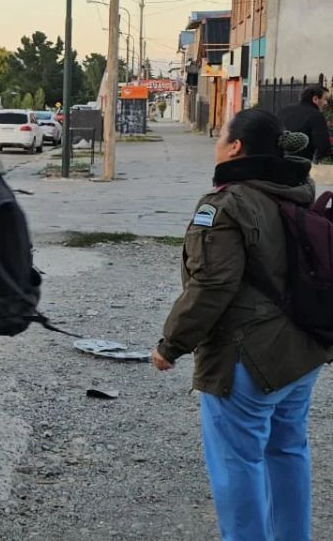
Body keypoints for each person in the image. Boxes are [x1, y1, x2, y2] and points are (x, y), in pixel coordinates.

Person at [151, 108, 332, 540]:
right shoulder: (296, 190)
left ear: (236, 148)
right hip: (302, 351)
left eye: (221, 137)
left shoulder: (225, 204)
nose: (216, 144)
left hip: (247, 358)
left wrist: (170, 344)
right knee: (288, 450)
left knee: (238, 464)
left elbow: (212, 285)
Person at [278, 85, 330, 162]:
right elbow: (322, 145)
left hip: (280, 160)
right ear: (315, 99)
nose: (326, 103)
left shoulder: (285, 110)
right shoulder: (316, 115)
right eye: (325, 99)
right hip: (302, 163)